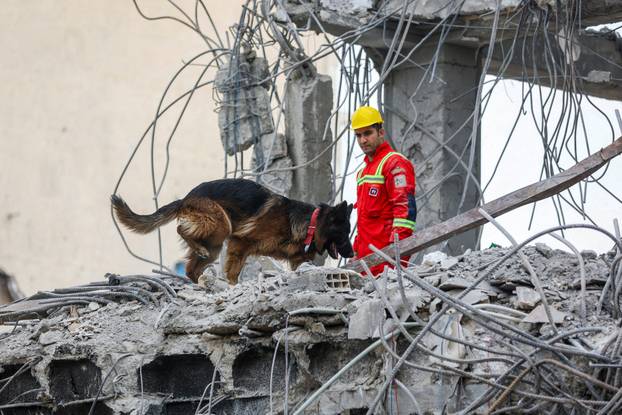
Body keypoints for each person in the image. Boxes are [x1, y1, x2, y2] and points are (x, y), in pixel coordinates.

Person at [351, 106, 417, 276]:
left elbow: (405, 216)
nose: (363, 140)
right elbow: (364, 221)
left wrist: (396, 259)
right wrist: (356, 253)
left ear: (381, 132)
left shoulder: (395, 164)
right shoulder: (363, 173)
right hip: (366, 265)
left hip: (386, 264)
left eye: (367, 133)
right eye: (358, 135)